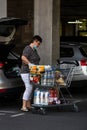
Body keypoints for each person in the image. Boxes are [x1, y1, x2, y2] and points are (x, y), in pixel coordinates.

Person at [20, 35, 42, 111]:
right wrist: (29, 64)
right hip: (26, 71)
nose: (38, 45)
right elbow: (23, 57)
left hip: (33, 72)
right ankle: (23, 106)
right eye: (38, 43)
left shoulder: (34, 50)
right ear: (35, 41)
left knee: (31, 87)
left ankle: (28, 105)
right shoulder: (28, 48)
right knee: (29, 87)